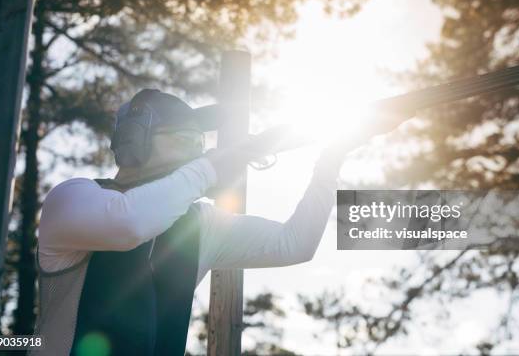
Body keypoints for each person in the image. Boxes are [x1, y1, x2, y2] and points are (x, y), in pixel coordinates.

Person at [31, 89, 410, 355]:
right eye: (181, 138)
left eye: (198, 141)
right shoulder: (74, 197)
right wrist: (211, 167)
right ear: (134, 139)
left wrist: (331, 159)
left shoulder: (200, 224)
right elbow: (129, 225)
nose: (195, 149)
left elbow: (296, 244)